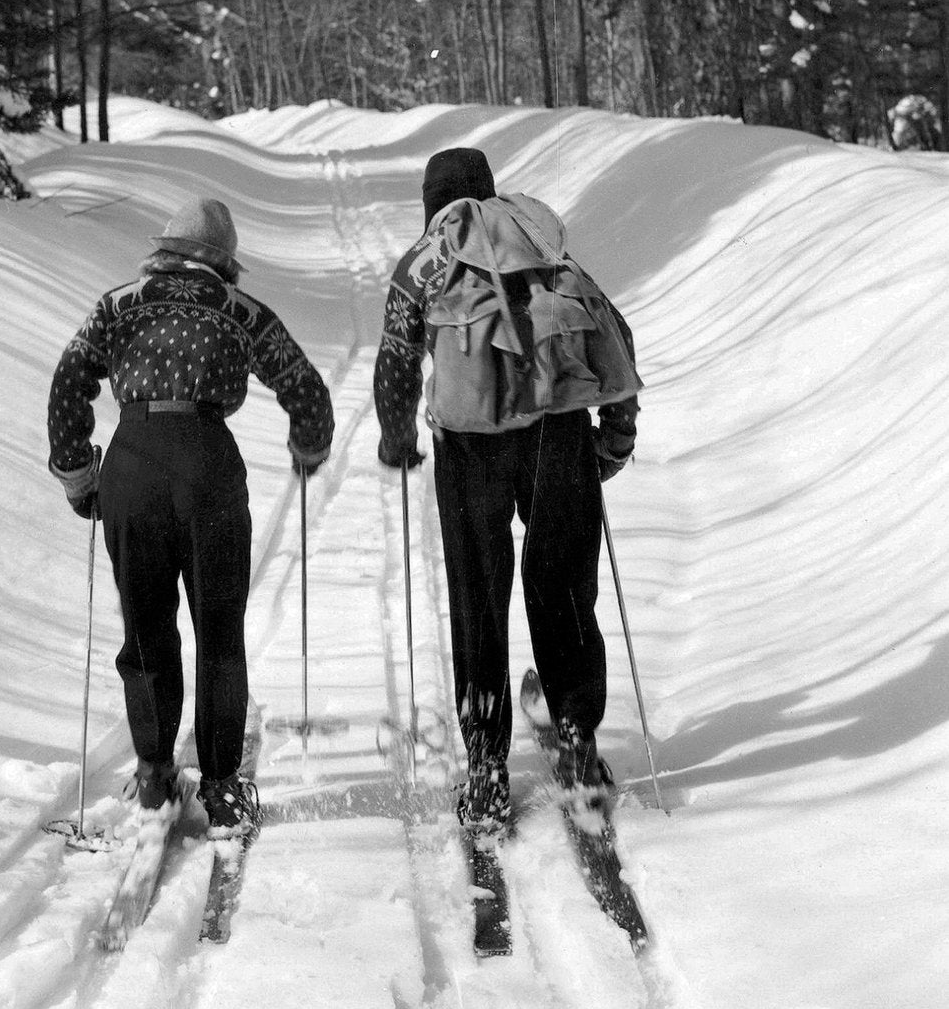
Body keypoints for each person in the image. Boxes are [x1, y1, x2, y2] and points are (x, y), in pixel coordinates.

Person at [47, 196, 334, 836]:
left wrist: (79, 477)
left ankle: (153, 775)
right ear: (225, 265)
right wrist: (308, 449)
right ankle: (224, 786)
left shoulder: (118, 304)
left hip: (134, 462)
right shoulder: (240, 310)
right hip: (208, 466)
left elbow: (69, 379)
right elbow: (304, 386)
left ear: (162, 250)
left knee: (147, 631)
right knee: (218, 627)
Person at [372, 147, 640, 831]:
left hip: (470, 444)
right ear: (491, 189)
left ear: (432, 200)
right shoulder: (545, 242)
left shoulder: (424, 260)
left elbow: (398, 357)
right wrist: (612, 437)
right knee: (564, 587)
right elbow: (614, 334)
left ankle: (487, 770)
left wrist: (398, 437)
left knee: (479, 595)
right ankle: (578, 746)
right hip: (560, 431)